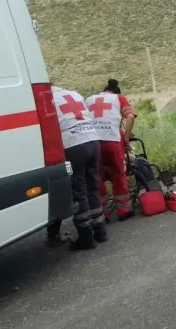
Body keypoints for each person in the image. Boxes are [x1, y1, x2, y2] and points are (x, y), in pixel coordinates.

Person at [48, 86, 108, 250]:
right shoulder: (74, 94)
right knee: (93, 187)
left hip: (73, 144)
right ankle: (100, 231)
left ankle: (86, 237)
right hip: (92, 140)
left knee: (79, 190)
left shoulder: (48, 99)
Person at [86, 79, 136, 222]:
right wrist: (126, 139)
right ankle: (124, 211)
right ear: (116, 92)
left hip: (93, 142)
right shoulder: (118, 98)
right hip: (112, 141)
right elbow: (130, 117)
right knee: (118, 175)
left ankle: (103, 213)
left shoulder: (89, 100)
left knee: (97, 177)